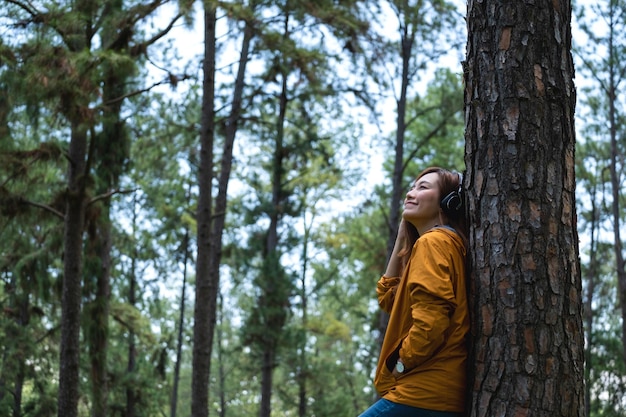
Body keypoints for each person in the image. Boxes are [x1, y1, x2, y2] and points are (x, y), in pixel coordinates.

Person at [359, 167, 469, 417]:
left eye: (423, 187)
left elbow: (431, 323)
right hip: (437, 396)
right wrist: (401, 237)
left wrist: (400, 364)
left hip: (423, 393)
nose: (410, 193)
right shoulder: (442, 244)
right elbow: (389, 299)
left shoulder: (433, 243)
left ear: (447, 202)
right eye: (412, 187)